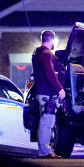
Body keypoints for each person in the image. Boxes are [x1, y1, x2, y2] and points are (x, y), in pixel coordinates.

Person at [32, 30, 65, 159]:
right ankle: (45, 151)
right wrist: (59, 89)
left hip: (42, 91)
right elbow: (49, 72)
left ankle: (44, 150)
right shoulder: (46, 54)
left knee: (46, 122)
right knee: (47, 122)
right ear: (51, 40)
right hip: (48, 93)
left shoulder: (38, 53)